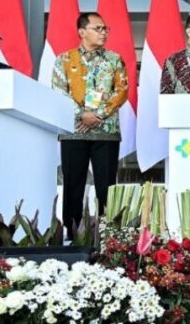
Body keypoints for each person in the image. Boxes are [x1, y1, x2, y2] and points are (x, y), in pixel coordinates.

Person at [52, 12, 128, 237]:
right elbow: (59, 91)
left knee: (107, 186)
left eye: (105, 29)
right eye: (98, 28)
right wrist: (81, 115)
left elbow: (121, 91)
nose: (103, 33)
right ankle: (74, 233)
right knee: (73, 184)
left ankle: (109, 235)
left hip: (105, 133)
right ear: (82, 32)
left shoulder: (114, 59)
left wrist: (97, 115)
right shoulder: (64, 59)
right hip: (74, 132)